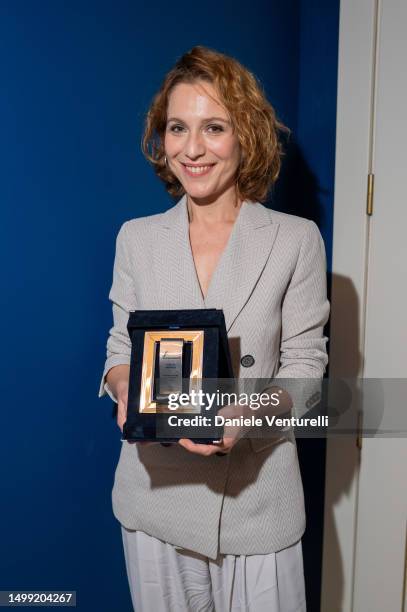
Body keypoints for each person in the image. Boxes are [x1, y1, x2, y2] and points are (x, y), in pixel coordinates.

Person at [99, 46, 329, 612]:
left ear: (245, 135)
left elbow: (306, 368)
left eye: (214, 127)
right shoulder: (137, 238)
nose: (192, 148)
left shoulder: (295, 239)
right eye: (178, 127)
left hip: (256, 500)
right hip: (154, 496)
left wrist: (247, 414)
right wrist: (126, 386)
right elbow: (119, 346)